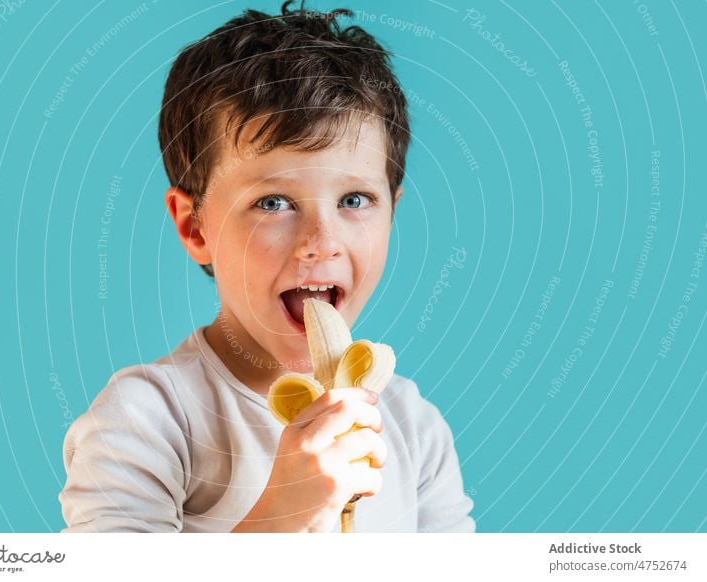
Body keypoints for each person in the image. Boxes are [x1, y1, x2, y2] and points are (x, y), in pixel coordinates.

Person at [58, 0, 475, 533]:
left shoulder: (415, 430)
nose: (320, 243)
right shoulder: (148, 421)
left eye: (354, 200)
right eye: (273, 202)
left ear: (392, 210)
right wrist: (280, 514)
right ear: (195, 228)